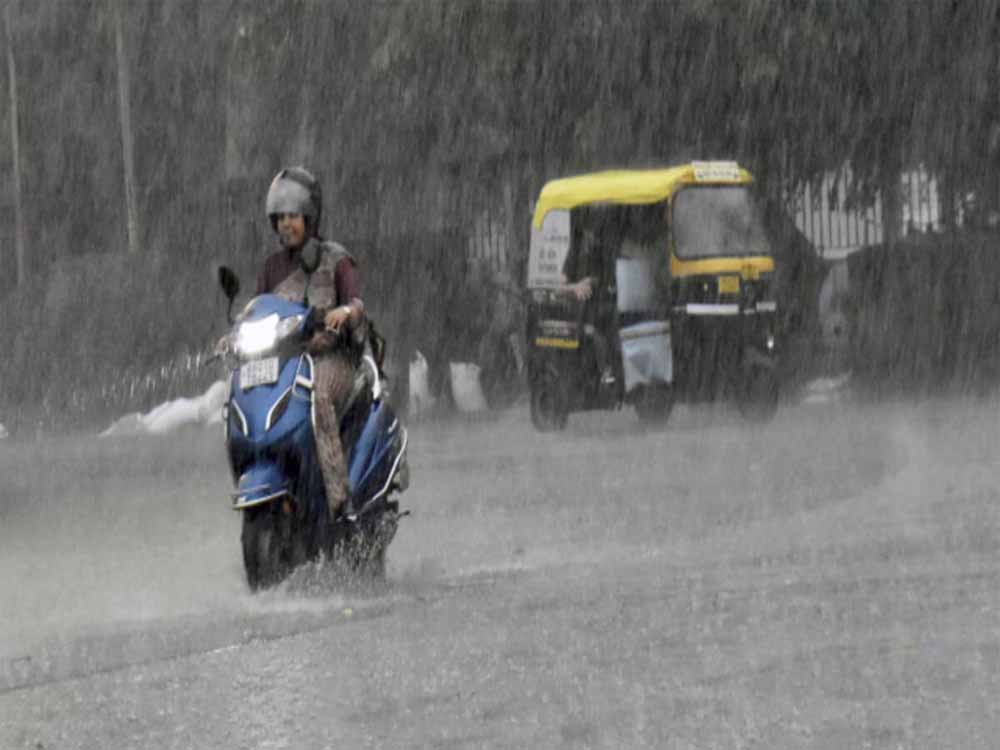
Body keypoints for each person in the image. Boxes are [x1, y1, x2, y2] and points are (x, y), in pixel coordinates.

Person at [257, 166, 365, 521]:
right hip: (288, 364)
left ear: (310, 217)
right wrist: (234, 335)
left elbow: (356, 304)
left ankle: (340, 500)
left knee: (318, 395)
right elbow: (257, 310)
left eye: (293, 216)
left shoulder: (336, 259)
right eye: (280, 217)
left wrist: (344, 312)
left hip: (333, 361)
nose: (286, 224)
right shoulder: (272, 267)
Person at [560, 214, 617, 385]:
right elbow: (559, 288)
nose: (594, 237)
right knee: (595, 331)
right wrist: (575, 287)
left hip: (605, 312)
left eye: (598, 231)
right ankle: (605, 374)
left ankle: (609, 374)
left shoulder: (606, 253)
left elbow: (612, 282)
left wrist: (598, 282)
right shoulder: (574, 254)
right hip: (584, 316)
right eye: (591, 230)